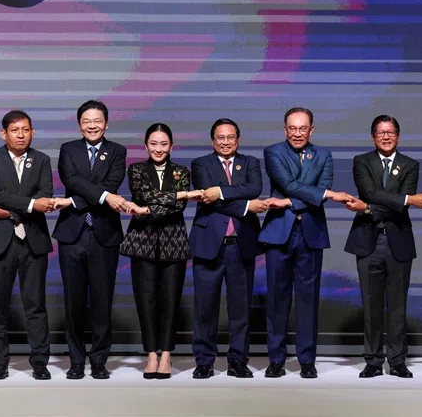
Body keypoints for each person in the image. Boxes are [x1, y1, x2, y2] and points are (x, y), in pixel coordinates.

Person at [260, 107, 352, 378]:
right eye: (292, 128)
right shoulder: (273, 152)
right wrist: (324, 194)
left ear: (312, 130)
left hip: (310, 233)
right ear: (285, 129)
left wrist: (291, 201)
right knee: (277, 299)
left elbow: (318, 191)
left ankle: (307, 359)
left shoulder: (323, 154)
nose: (297, 133)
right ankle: (276, 359)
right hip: (279, 233)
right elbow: (289, 184)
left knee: (308, 299)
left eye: (303, 128)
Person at [344, 115, 422, 378]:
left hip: (398, 241)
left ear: (398, 136)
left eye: (391, 132)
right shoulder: (362, 161)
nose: (386, 136)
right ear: (373, 137)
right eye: (381, 132)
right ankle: (372, 360)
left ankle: (397, 361)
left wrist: (370, 208)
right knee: (370, 305)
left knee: (397, 305)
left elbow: (397, 205)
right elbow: (371, 192)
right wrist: (399, 200)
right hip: (368, 240)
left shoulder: (410, 165)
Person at [53, 100, 128, 380]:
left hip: (104, 236)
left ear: (106, 123)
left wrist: (73, 201)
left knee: (101, 301)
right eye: (87, 121)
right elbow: (71, 179)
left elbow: (112, 184)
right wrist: (104, 197)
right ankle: (75, 360)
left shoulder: (117, 151)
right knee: (73, 303)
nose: (92, 125)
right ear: (79, 124)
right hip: (72, 235)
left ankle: (99, 361)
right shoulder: (68, 150)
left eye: (97, 121)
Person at [120, 123, 201, 379]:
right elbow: (141, 194)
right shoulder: (136, 169)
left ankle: (166, 354)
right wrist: (181, 194)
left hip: (173, 242)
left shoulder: (181, 171)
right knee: (146, 300)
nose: (158, 148)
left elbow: (178, 208)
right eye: (153, 144)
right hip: (141, 241)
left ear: (171, 146)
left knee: (170, 300)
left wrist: (149, 210)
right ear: (145, 146)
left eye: (163, 144)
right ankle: (151, 355)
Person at [0, 110, 56, 380]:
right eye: (15, 130)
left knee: (35, 305)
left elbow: (45, 197)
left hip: (33, 240)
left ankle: (40, 362)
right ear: (4, 134)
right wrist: (30, 205)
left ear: (32, 132)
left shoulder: (43, 160)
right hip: (0, 242)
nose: (21, 135)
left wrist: (8, 212)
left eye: (26, 129)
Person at [190, 119, 268, 379]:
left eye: (230, 137)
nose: (225, 142)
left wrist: (220, 192)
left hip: (241, 246)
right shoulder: (201, 164)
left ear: (238, 138)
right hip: (208, 245)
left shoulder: (251, 163)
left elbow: (255, 188)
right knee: (205, 308)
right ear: (213, 140)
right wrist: (246, 206)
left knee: (240, 309)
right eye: (220, 137)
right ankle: (204, 361)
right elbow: (208, 201)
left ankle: (238, 360)